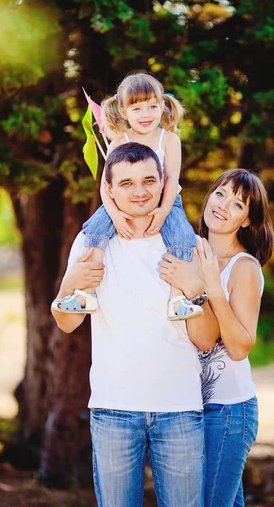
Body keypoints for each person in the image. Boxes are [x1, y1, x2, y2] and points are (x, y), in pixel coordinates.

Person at [51, 143, 219, 507]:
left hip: (179, 409)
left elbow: (205, 339)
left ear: (163, 184)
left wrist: (194, 288)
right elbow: (66, 323)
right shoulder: (91, 242)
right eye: (126, 183)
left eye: (148, 180)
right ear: (108, 190)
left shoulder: (185, 244)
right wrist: (69, 284)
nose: (139, 191)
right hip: (114, 408)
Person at [159, 168, 274, 507]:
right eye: (220, 193)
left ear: (246, 221)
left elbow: (240, 347)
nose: (222, 206)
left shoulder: (243, 267)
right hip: (184, 406)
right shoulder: (185, 251)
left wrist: (208, 288)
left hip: (227, 411)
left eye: (237, 204)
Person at [81, 71, 201, 320]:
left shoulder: (169, 140)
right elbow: (106, 186)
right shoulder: (119, 141)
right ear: (123, 111)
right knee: (95, 228)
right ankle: (88, 291)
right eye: (137, 109)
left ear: (162, 106)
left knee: (182, 235)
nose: (146, 114)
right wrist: (114, 215)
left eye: (152, 106)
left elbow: (172, 180)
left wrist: (164, 211)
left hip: (166, 197)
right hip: (121, 202)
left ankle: (177, 297)